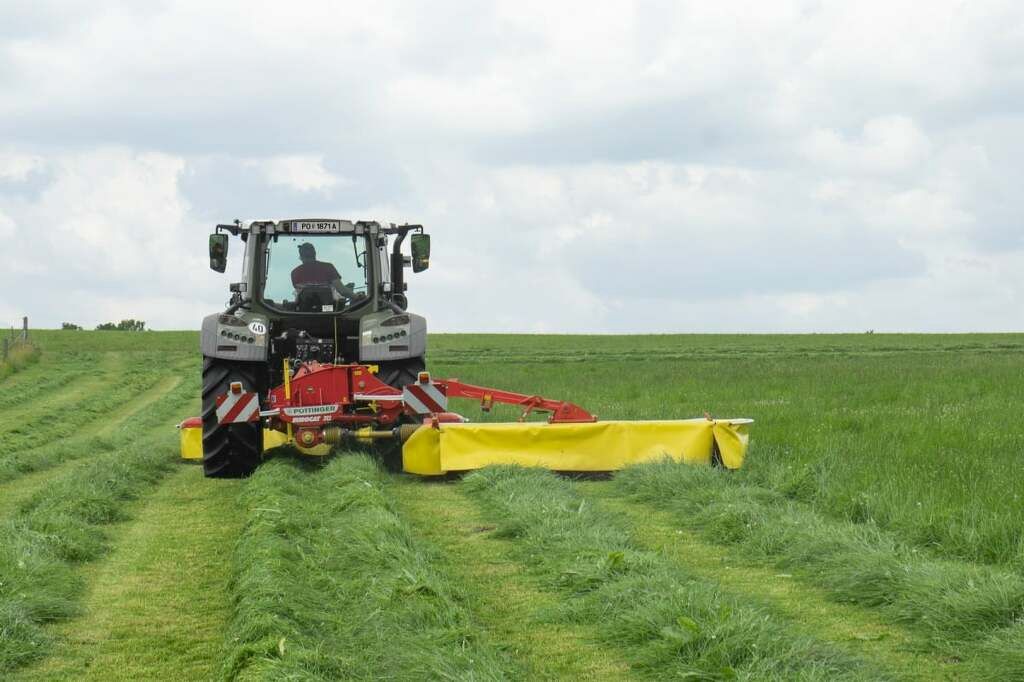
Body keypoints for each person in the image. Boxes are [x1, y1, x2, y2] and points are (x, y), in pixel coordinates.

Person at [290, 242, 356, 301]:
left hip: (304, 311)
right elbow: (342, 291)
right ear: (314, 254)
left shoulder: (295, 272)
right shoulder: (328, 267)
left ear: (301, 257)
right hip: (327, 310)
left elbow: (300, 294)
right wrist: (357, 296)